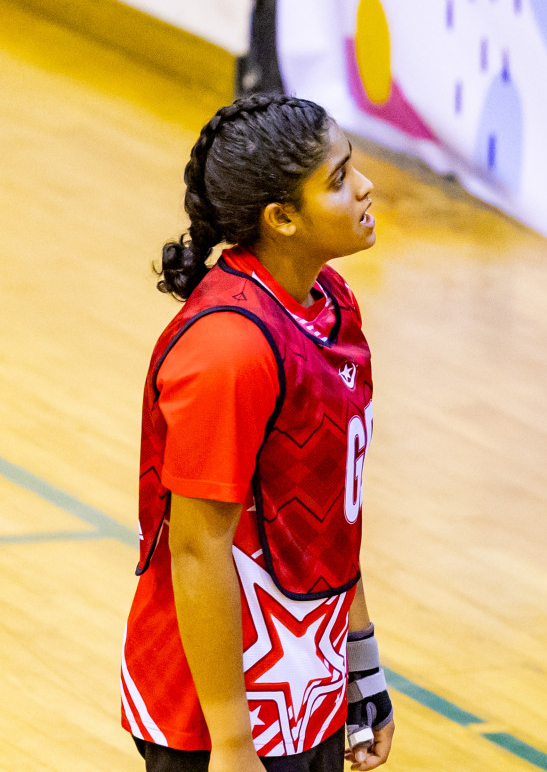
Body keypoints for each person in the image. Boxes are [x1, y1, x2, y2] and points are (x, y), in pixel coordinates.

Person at [121, 94, 396, 772]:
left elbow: (331, 515)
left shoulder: (330, 305)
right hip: (215, 713)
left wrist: (360, 665)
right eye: (337, 179)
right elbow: (196, 547)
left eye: (351, 166)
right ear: (282, 219)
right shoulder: (230, 350)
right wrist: (233, 742)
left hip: (310, 682)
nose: (365, 187)